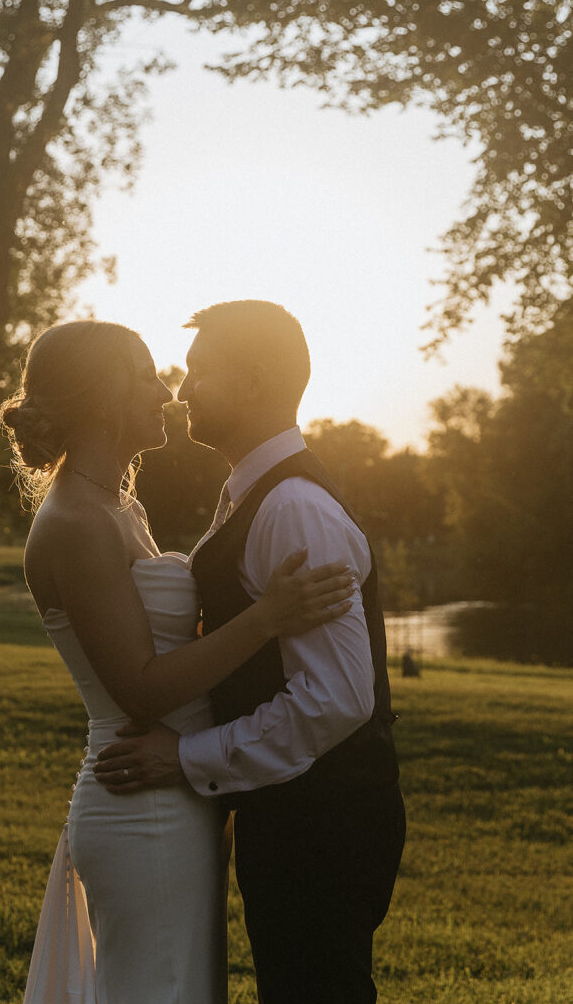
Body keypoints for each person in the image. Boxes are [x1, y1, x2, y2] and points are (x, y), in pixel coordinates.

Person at [0, 319, 355, 1004]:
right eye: (144, 374)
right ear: (103, 397)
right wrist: (266, 618)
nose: (166, 390)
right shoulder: (75, 521)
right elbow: (140, 689)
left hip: (176, 800)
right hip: (141, 809)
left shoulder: (118, 506)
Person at [95, 300, 406, 1004]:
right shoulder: (251, 493)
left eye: (200, 372)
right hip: (294, 812)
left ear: (257, 380)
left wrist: (186, 758)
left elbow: (336, 700)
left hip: (323, 822)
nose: (179, 391)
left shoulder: (293, 506)